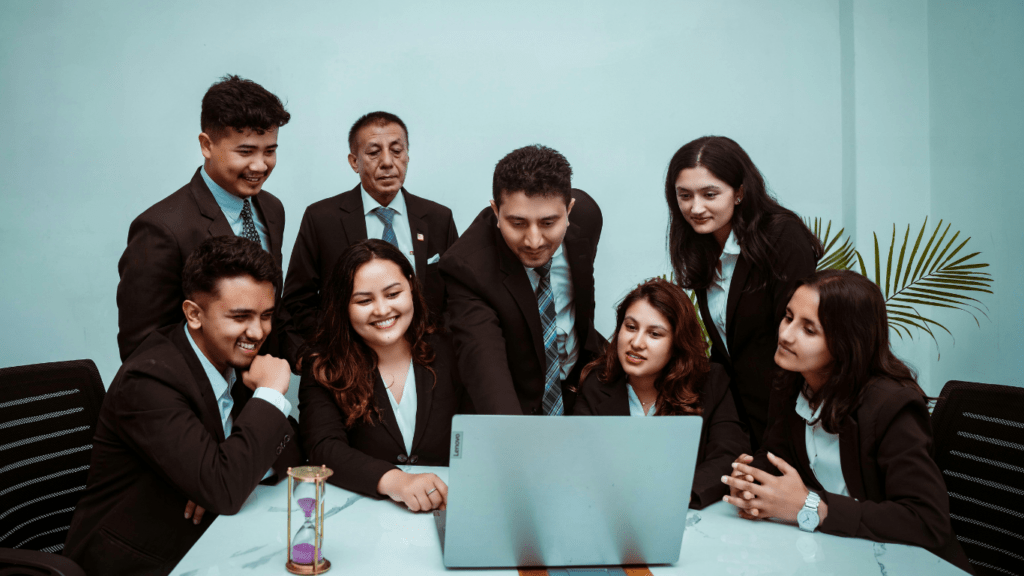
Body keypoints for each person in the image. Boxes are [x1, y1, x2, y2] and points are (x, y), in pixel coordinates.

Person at [65, 237, 301, 575]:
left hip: (209, 541)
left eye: (266, 316)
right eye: (240, 316)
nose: (258, 331)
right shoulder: (149, 379)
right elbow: (225, 488)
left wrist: (221, 473)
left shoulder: (233, 359)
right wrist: (272, 394)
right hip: (136, 559)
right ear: (194, 314)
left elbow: (293, 451)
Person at [721, 270, 972, 573]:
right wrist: (753, 484)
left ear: (845, 343)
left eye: (809, 330)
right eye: (788, 317)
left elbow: (926, 520)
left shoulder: (892, 406)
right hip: (839, 556)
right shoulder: (792, 382)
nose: (786, 335)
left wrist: (811, 507)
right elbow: (776, 454)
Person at [117, 74, 291, 362]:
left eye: (270, 151)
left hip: (261, 390)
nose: (260, 165)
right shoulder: (160, 229)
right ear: (206, 145)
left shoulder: (272, 209)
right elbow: (142, 350)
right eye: (245, 151)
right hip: (194, 401)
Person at [665, 136, 821, 449]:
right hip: (741, 416)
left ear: (739, 192)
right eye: (685, 195)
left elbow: (793, 346)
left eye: (710, 194)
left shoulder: (781, 237)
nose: (695, 208)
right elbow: (726, 349)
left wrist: (774, 438)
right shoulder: (702, 245)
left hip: (788, 414)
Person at [298, 239, 467, 511]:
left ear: (411, 286)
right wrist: (394, 481)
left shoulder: (452, 350)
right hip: (364, 515)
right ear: (344, 304)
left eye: (392, 294)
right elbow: (323, 448)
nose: (382, 310)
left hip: (449, 506)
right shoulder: (324, 365)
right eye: (364, 300)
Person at [281, 112, 458, 368]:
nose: (387, 162)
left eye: (397, 151)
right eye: (374, 152)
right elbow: (298, 301)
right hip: (350, 365)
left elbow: (457, 298)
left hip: (427, 363)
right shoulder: (322, 219)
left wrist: (441, 349)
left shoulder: (438, 218)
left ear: (407, 155)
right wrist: (328, 352)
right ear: (355, 162)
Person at [439, 144, 604, 416]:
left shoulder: (587, 218)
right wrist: (516, 442)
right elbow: (485, 366)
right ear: (496, 211)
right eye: (517, 223)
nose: (534, 241)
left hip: (581, 389)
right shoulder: (467, 267)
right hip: (516, 401)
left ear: (569, 211)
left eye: (549, 223)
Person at [574, 279, 749, 509]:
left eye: (654, 334)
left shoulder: (710, 381)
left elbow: (728, 455)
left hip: (689, 519)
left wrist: (680, 493)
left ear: (677, 343)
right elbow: (581, 460)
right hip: (614, 513)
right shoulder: (597, 383)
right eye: (631, 327)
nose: (636, 343)